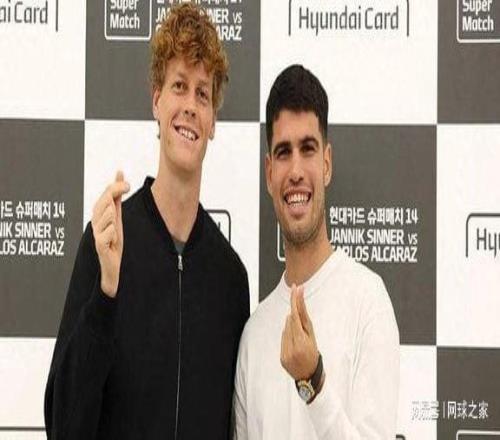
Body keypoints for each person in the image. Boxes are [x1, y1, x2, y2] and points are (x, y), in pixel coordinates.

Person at [44, 4, 249, 439]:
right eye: (179, 86)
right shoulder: (108, 242)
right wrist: (106, 295)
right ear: (156, 100)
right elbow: (63, 427)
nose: (190, 106)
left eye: (202, 94)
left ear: (213, 121)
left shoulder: (231, 280)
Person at [233, 65, 399, 439]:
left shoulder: (368, 302)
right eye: (283, 152)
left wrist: (313, 381)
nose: (295, 171)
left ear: (326, 164)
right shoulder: (254, 336)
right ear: (269, 173)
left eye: (307, 149)